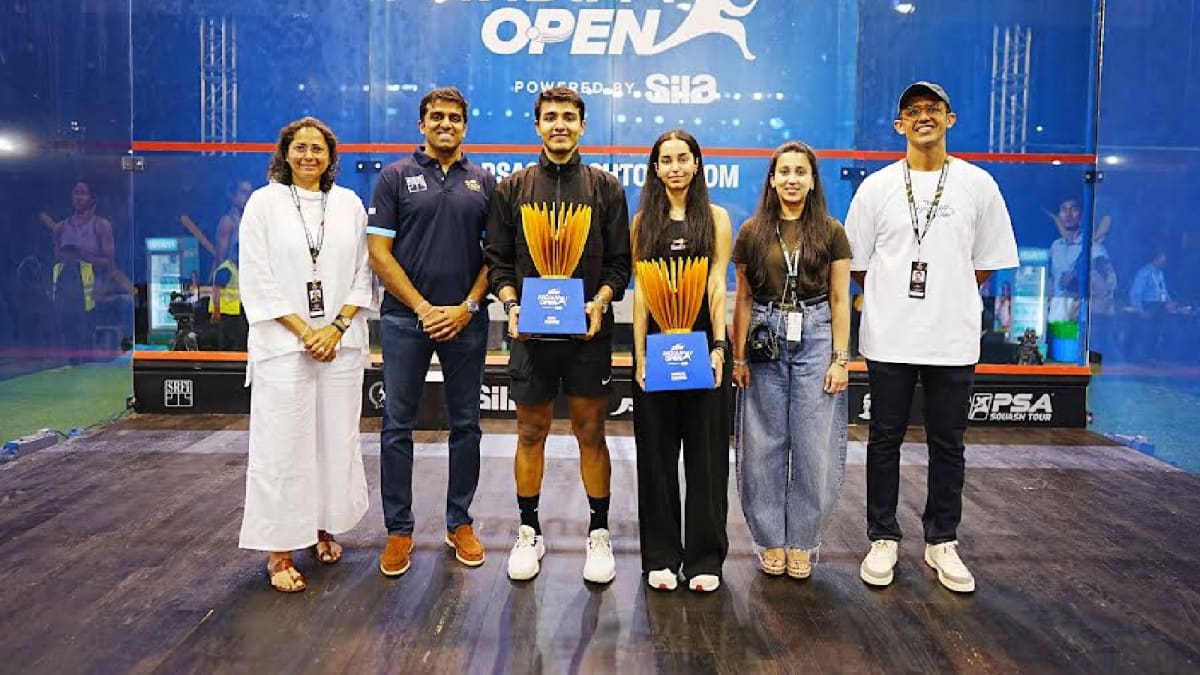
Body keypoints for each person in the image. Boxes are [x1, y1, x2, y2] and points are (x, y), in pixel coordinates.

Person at [846, 82, 1018, 593]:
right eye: (912, 111)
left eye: (933, 109)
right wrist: (895, 297)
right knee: (884, 440)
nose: (923, 117)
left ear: (951, 118)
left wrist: (947, 295)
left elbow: (984, 263)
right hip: (889, 338)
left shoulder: (978, 185)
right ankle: (883, 537)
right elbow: (858, 264)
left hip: (952, 339)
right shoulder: (876, 188)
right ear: (899, 125)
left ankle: (942, 541)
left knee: (949, 443)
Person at [484, 87, 631, 583]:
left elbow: (619, 264)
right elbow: (499, 261)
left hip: (588, 334)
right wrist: (510, 304)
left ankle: (599, 533)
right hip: (530, 337)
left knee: (592, 431)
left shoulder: (606, 188)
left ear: (583, 125)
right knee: (530, 432)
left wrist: (600, 300)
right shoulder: (512, 189)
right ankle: (529, 530)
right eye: (550, 117)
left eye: (569, 117)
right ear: (537, 126)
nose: (560, 125)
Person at [237, 117, 375, 593]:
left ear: (331, 156)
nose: (309, 156)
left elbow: (364, 272)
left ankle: (322, 526)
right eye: (301, 148)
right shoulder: (263, 204)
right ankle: (279, 550)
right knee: (284, 446)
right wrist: (306, 333)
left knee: (334, 441)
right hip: (284, 349)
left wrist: (334, 329)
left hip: (340, 346)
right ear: (285, 153)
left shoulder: (349, 204)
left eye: (318, 148)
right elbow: (257, 280)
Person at [367, 87, 496, 577]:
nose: (446, 123)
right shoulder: (395, 177)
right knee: (397, 426)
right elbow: (380, 255)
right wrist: (422, 308)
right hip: (406, 320)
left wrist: (465, 307)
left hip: (466, 320)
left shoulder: (484, 182)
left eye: (455, 117)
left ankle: (458, 522)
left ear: (465, 126)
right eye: (436, 116)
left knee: (467, 425)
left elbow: (495, 257)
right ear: (421, 125)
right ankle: (399, 530)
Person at [730, 141, 851, 581]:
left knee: (814, 444)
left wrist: (841, 358)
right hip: (764, 333)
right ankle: (770, 540)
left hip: (817, 334)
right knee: (763, 443)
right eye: (784, 171)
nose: (792, 179)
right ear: (773, 179)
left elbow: (841, 297)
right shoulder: (752, 231)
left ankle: (803, 541)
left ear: (812, 179)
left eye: (801, 171)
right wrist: (738, 355)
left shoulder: (831, 231)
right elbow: (742, 298)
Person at [631, 130, 733, 593]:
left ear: (696, 164)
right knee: (656, 457)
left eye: (682, 159)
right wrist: (638, 359)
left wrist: (718, 348)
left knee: (706, 457)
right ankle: (661, 557)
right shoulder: (641, 224)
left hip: (701, 349)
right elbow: (639, 299)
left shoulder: (716, 218)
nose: (674, 167)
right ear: (655, 168)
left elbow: (716, 287)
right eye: (665, 160)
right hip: (656, 350)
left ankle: (705, 558)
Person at [210, 243, 247, 351]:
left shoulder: (237, 269)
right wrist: (216, 311)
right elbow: (216, 290)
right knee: (228, 342)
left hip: (235, 312)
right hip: (225, 313)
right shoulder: (226, 269)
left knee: (238, 340)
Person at [212, 179, 252, 278]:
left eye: (249, 193)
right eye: (243, 192)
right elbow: (221, 258)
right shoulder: (228, 221)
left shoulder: (252, 219)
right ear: (233, 196)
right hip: (234, 279)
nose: (247, 197)